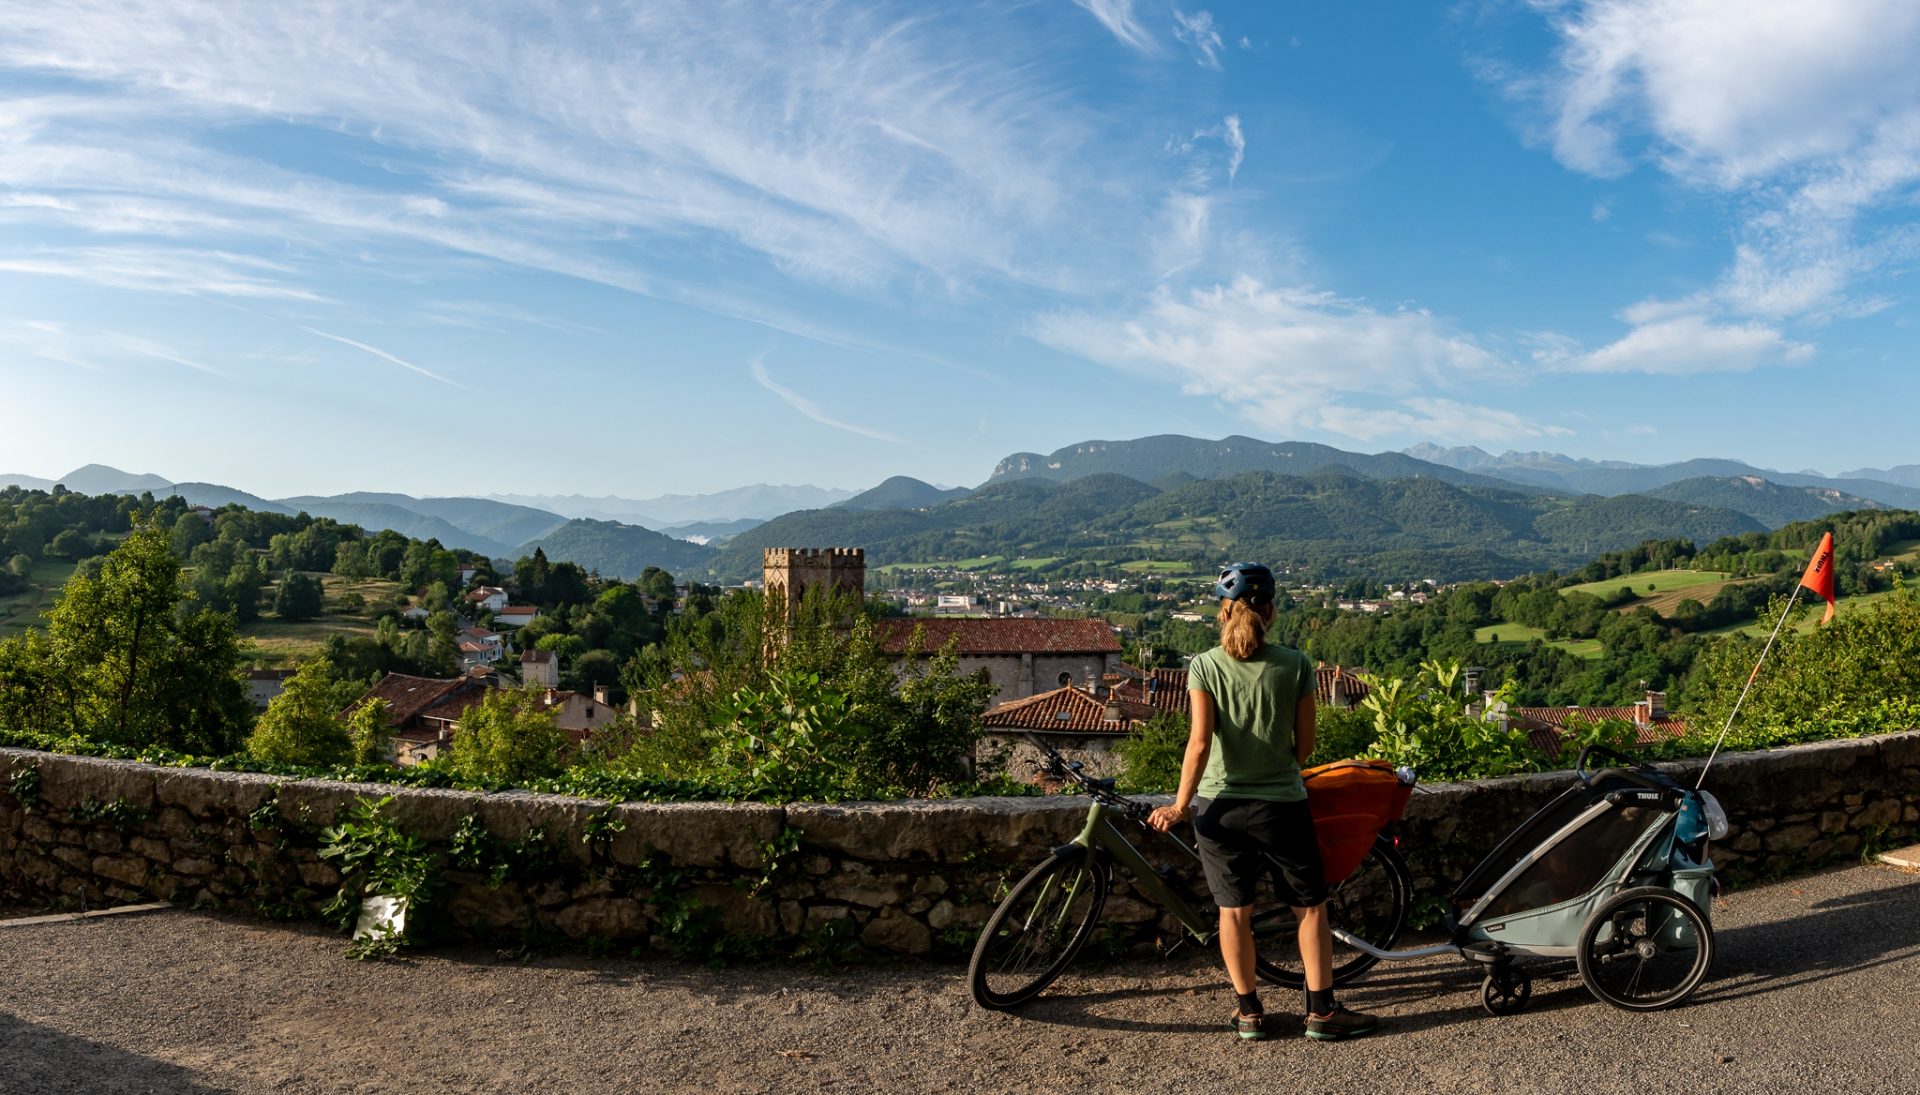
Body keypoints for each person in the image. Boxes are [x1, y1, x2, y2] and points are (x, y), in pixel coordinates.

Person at [1148, 562, 1379, 1042]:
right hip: (1281, 806)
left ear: (1223, 612)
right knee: (1310, 909)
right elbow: (1305, 746)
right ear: (1270, 611)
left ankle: (1249, 1014)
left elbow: (1199, 743)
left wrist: (1180, 805)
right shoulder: (1296, 665)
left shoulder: (1204, 666)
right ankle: (1322, 1013)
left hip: (1219, 808)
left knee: (1234, 913)